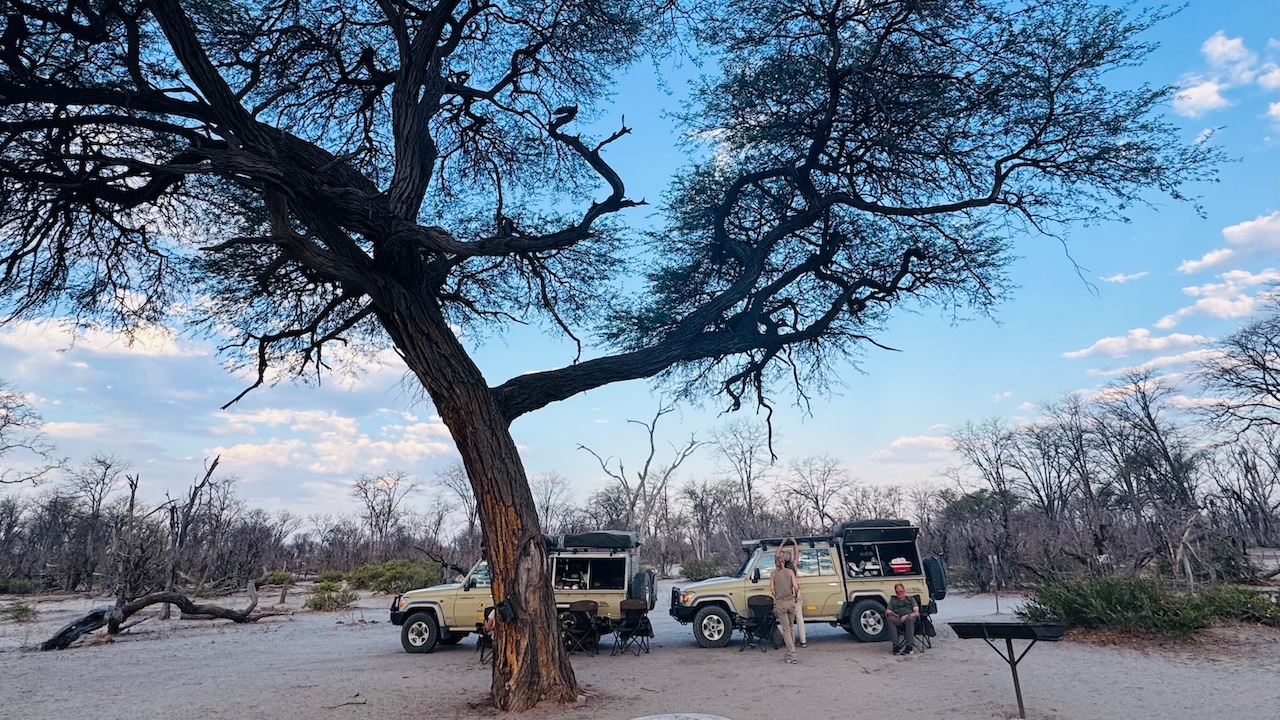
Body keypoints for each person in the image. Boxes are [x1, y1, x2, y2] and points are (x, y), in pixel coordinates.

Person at [769, 547, 799, 664]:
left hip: (781, 602)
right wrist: (795, 598)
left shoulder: (773, 574)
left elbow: (771, 589)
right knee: (791, 627)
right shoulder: (790, 572)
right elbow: (796, 588)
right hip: (791, 601)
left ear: (775, 563)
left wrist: (776, 597)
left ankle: (792, 654)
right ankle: (790, 651)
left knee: (785, 629)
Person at [779, 536, 807, 648]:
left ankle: (791, 641)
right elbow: (797, 554)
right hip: (796, 593)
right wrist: (794, 543)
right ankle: (803, 640)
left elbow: (777, 554)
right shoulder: (793, 568)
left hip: (786, 596)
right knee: (800, 618)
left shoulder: (780, 570)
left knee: (789, 622)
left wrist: (782, 542)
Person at [885, 582, 919, 655]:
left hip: (911, 618)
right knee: (890, 619)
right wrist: (895, 615)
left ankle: (909, 647)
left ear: (904, 590)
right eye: (897, 592)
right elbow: (888, 611)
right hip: (899, 618)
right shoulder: (893, 600)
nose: (899, 593)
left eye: (901, 591)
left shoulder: (911, 599)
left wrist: (907, 615)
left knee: (908, 619)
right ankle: (896, 645)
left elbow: (916, 613)